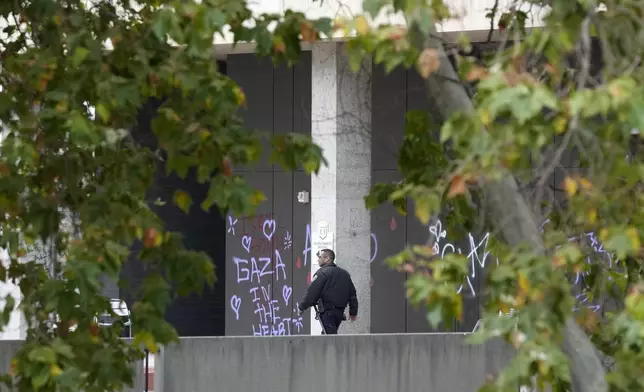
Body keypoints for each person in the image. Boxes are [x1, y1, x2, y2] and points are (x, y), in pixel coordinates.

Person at [297, 249, 358, 334]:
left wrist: (302, 307)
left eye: (320, 257)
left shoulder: (322, 273)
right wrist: (353, 312)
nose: (318, 259)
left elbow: (312, 292)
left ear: (327, 259)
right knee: (328, 334)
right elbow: (352, 295)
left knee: (329, 337)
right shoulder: (345, 274)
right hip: (339, 313)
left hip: (327, 311)